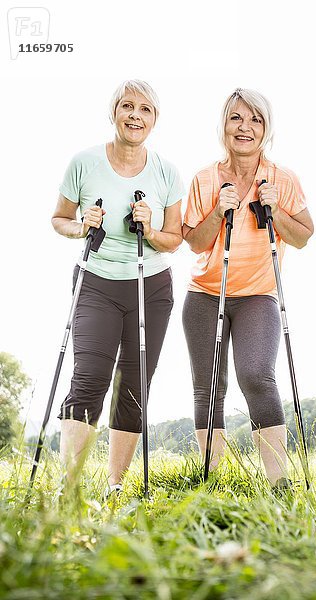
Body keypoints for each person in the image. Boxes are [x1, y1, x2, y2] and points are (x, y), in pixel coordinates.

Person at [52, 79, 184, 493]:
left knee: (133, 386)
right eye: (127, 106)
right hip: (96, 283)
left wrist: (150, 227)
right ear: (114, 112)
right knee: (88, 378)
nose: (135, 116)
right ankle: (69, 489)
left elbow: (175, 238)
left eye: (145, 109)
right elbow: (59, 218)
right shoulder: (84, 162)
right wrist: (80, 228)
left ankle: (114, 487)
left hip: (151, 287)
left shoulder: (166, 172)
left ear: (154, 119)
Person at [182, 88, 314, 486]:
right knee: (209, 387)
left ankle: (279, 484)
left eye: (255, 119)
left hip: (258, 294)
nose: (246, 127)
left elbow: (305, 235)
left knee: (257, 375)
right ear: (224, 125)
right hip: (206, 294)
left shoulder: (283, 179)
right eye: (237, 118)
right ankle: (211, 482)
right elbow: (194, 240)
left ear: (266, 129)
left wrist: (278, 211)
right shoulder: (205, 179)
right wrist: (219, 211)